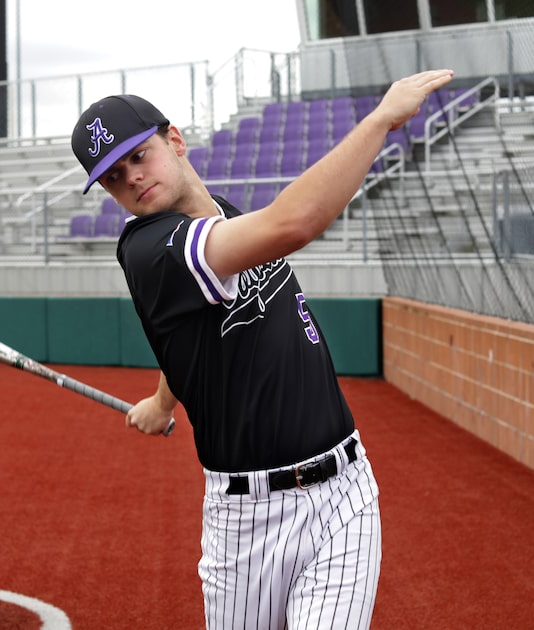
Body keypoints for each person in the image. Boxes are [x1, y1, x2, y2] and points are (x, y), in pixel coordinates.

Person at [71, 70, 454, 629]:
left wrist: (162, 401)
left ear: (174, 141)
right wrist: (381, 121)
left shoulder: (221, 213)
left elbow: (191, 338)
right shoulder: (151, 249)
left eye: (139, 156)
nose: (131, 179)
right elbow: (295, 222)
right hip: (246, 521)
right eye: (112, 176)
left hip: (344, 495)